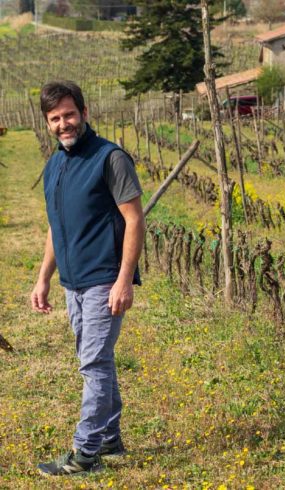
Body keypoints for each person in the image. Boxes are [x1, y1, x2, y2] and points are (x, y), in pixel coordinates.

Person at [31, 80, 145, 476]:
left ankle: (86, 452)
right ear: (47, 122)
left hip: (104, 278)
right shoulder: (55, 164)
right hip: (73, 282)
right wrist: (44, 277)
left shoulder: (109, 158)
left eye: (69, 114)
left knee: (92, 363)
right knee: (97, 359)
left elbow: (134, 219)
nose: (64, 123)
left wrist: (124, 279)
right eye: (55, 118)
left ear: (84, 112)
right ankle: (110, 439)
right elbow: (55, 225)